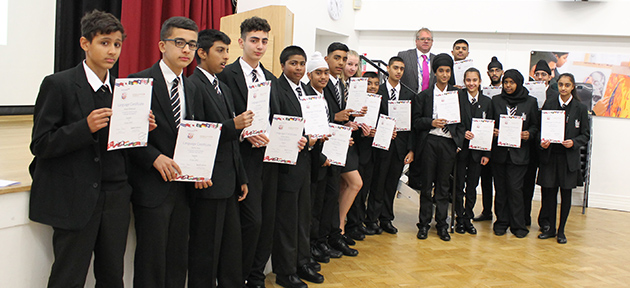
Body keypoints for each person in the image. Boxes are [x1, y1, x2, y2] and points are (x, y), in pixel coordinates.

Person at [30, 10, 149, 288]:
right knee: (68, 276)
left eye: (117, 44)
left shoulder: (124, 90)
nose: (112, 51)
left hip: (116, 195)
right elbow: (41, 143)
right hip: (76, 196)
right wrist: (84, 127)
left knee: (112, 276)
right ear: (85, 44)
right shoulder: (57, 84)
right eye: (104, 42)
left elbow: (123, 147)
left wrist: (142, 129)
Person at [127, 16, 209, 288]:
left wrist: (200, 168)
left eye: (192, 45)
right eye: (179, 42)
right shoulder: (138, 82)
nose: (186, 50)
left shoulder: (194, 87)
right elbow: (128, 138)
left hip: (184, 188)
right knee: (151, 259)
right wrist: (153, 157)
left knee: (177, 257)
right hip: (151, 186)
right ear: (162, 45)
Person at [217, 16, 280, 288]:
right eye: (254, 40)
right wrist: (244, 133)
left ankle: (256, 276)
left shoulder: (270, 78)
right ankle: (237, 277)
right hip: (241, 158)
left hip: (269, 157)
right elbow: (223, 118)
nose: (260, 46)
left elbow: (275, 116)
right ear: (241, 42)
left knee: (266, 223)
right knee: (250, 223)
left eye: (264, 41)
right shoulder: (225, 76)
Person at [187, 29, 251, 288]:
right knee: (206, 250)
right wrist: (232, 124)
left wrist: (241, 176)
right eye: (220, 51)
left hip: (229, 181)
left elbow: (233, 142)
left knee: (231, 248)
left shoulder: (222, 86)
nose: (226, 57)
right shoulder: (192, 85)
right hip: (209, 181)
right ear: (201, 53)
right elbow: (196, 134)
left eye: (227, 51)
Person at [272, 45, 320, 288]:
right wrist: (300, 138)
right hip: (286, 164)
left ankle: (302, 262)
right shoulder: (277, 90)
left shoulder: (306, 91)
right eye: (293, 63)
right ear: (282, 65)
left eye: (302, 64)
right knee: (287, 220)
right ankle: (285, 271)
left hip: (305, 162)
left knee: (303, 216)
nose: (299, 68)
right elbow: (276, 126)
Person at [412, 53, 464, 242]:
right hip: (430, 143)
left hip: (448, 143)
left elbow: (463, 122)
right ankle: (423, 224)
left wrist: (457, 142)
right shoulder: (424, 96)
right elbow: (416, 122)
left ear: (451, 73)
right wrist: (431, 122)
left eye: (447, 71)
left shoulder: (457, 94)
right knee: (427, 186)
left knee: (443, 186)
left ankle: (442, 224)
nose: (444, 74)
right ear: (435, 73)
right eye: (440, 71)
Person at [537, 73, 590, 244]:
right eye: (560, 84)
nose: (563, 88)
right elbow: (540, 129)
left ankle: (561, 230)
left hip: (568, 158)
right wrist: (542, 141)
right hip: (551, 157)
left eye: (567, 85)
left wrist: (573, 142)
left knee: (566, 195)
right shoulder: (550, 104)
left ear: (572, 87)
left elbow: (585, 135)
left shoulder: (580, 108)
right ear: (557, 86)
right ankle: (550, 228)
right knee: (549, 194)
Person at [318, 42, 359, 257]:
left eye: (344, 59)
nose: (341, 63)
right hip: (324, 148)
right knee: (326, 195)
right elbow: (320, 116)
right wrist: (336, 118)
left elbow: (340, 116)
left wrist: (347, 124)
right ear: (327, 59)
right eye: (337, 58)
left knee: (334, 192)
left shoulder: (342, 84)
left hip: (339, 145)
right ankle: (324, 238)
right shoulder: (322, 83)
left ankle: (333, 235)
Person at [367, 57, 415, 235]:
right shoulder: (377, 92)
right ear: (388, 68)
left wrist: (411, 149)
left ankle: (386, 219)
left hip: (400, 147)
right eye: (395, 68)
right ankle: (371, 219)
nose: (399, 72)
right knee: (377, 183)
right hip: (380, 145)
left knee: (391, 185)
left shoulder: (409, 95)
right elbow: (371, 119)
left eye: (402, 69)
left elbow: (412, 125)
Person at [490, 69, 539, 238]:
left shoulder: (530, 102)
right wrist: (493, 130)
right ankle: (501, 222)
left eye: (511, 82)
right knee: (501, 189)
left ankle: (518, 225)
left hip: (520, 154)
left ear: (518, 83)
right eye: (505, 82)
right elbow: (489, 121)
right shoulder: (496, 100)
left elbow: (535, 126)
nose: (508, 86)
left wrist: (529, 134)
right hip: (500, 153)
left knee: (516, 189)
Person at [306, 51, 343, 265]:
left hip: (330, 156)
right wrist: (320, 156)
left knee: (325, 201)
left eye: (326, 73)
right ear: (309, 74)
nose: (323, 77)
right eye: (318, 73)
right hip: (315, 159)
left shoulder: (324, 97)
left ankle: (320, 240)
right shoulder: (307, 97)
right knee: (313, 204)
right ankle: (311, 244)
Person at [454, 68, 493, 235]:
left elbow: (490, 127)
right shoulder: (457, 98)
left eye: (474, 80)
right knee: (458, 186)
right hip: (460, 150)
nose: (471, 83)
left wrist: (487, 154)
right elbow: (453, 121)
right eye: (468, 80)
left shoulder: (487, 101)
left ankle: (468, 218)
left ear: (479, 81)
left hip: (478, 152)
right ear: (464, 81)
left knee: (472, 186)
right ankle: (459, 219)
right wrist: (463, 133)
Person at [345, 71, 381, 240]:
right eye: (369, 83)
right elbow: (350, 125)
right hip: (357, 149)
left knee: (364, 189)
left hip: (372, 151)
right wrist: (361, 130)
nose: (372, 87)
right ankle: (352, 224)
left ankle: (359, 222)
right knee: (356, 189)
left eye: (375, 84)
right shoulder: (355, 102)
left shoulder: (379, 101)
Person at [473, 56, 504, 222]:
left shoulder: (506, 93)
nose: (494, 73)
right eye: (491, 71)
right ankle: (486, 211)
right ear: (487, 73)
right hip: (484, 141)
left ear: (502, 72)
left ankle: (500, 213)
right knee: (485, 179)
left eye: (497, 70)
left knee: (499, 182)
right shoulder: (483, 93)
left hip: (500, 142)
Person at [398, 27, 435, 93]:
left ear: (432, 42)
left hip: (430, 100)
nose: (426, 41)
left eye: (428, 39)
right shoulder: (404, 56)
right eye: (422, 39)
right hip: (409, 98)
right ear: (416, 41)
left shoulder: (436, 59)